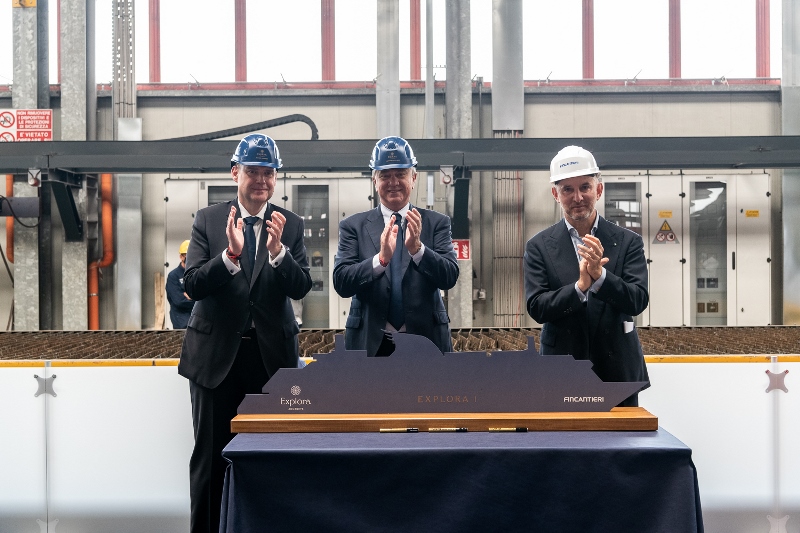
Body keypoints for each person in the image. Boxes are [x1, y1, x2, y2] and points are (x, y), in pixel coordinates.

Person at [178, 133, 312, 533]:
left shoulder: (290, 225)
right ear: (235, 172)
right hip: (216, 360)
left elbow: (301, 286)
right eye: (253, 171)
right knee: (211, 459)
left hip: (271, 362)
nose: (261, 180)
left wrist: (278, 253)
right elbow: (193, 284)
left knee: (274, 458)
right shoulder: (208, 220)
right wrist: (230, 256)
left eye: (269, 173)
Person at [523, 145, 649, 406]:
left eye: (585, 187)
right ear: (555, 194)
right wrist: (580, 287)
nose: (577, 197)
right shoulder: (539, 247)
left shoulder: (628, 242)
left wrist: (601, 277)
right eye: (567, 189)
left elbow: (637, 300)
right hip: (561, 370)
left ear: (598, 190)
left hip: (617, 370)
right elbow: (537, 307)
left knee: (622, 434)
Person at [333, 136, 459, 356]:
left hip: (425, 341)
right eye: (385, 175)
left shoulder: (436, 223)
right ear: (374, 180)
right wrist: (380, 260)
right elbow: (342, 283)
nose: (393, 182)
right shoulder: (353, 226)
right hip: (371, 343)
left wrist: (418, 250)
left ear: (413, 177)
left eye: (400, 174)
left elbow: (449, 277)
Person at [166, 239, 195, 329]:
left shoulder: (197, 274)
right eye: (188, 255)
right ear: (181, 257)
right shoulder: (173, 276)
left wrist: (191, 297)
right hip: (181, 321)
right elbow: (178, 301)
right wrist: (196, 298)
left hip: (196, 319)